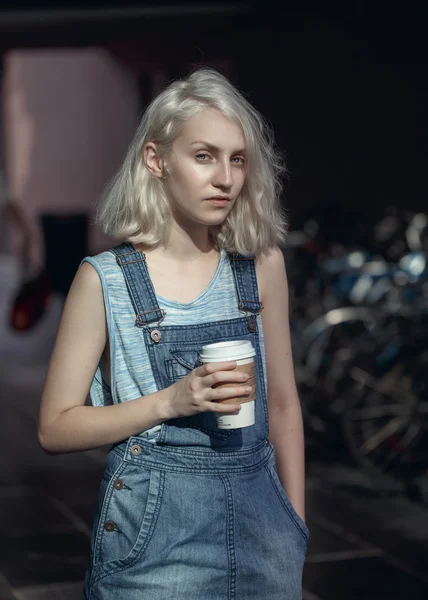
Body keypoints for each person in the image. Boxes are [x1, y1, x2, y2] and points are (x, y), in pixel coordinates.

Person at [38, 68, 309, 599]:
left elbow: (282, 405)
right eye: (204, 155)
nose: (225, 178)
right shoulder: (105, 280)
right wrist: (172, 401)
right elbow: (54, 428)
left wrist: (294, 526)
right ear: (156, 159)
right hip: (153, 545)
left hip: (265, 537)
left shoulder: (261, 265)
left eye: (237, 159)